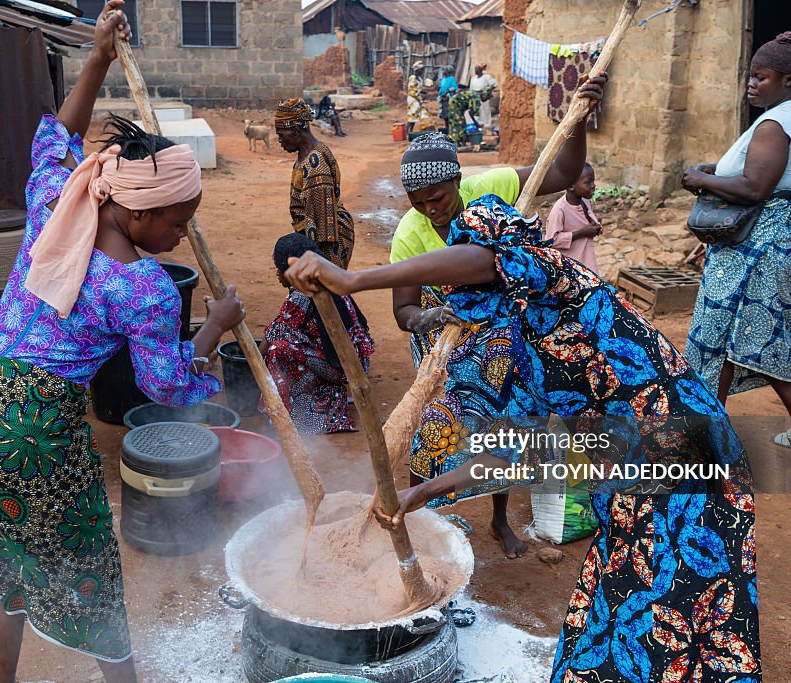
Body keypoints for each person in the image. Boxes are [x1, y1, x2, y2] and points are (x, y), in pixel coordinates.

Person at [285, 195, 761, 683]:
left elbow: (484, 258)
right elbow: (508, 453)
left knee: (667, 614)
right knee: (623, 607)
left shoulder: (558, 278)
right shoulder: (521, 341)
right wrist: (421, 493)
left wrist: (352, 281)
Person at [0, 4, 245, 681]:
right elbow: (167, 386)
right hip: (37, 433)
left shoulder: (58, 199)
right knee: (94, 584)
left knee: (7, 576)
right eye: (176, 222)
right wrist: (216, 326)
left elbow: (57, 134)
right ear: (136, 210)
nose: (181, 236)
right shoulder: (144, 288)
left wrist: (99, 57)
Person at [388, 73, 606, 559]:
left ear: (458, 181)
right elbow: (403, 310)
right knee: (434, 426)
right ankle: (419, 520)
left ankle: (499, 519)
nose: (430, 211)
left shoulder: (492, 186)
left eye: (438, 198)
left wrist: (580, 120)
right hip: (443, 342)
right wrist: (428, 318)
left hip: (500, 333)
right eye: (418, 204)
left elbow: (565, 170)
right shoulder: (410, 233)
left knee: (504, 425)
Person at [682, 32, 791, 449]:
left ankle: (707, 433)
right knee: (751, 334)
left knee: (715, 334)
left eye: (761, 77)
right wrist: (717, 171)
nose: (751, 83)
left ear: (788, 79)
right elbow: (761, 174)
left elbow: (755, 187)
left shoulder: (775, 123)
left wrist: (700, 179)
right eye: (750, 75)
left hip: (754, 245)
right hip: (770, 240)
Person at [260, 233, 374, 434]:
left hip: (341, 370)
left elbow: (276, 332)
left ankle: (284, 417)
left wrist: (253, 362)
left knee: (278, 349)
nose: (277, 273)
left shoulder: (302, 294)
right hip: (347, 364)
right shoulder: (328, 277)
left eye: (279, 268)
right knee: (291, 337)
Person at [275, 98, 356, 269]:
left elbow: (321, 227)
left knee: (326, 283)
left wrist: (311, 257)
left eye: (281, 135)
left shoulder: (315, 164)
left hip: (324, 243)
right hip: (315, 234)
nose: (279, 140)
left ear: (295, 131)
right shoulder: (307, 154)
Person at [544, 162, 602, 272]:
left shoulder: (585, 201)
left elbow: (585, 223)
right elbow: (551, 241)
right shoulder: (560, 209)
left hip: (587, 259)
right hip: (570, 267)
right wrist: (582, 232)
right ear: (571, 186)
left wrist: (595, 228)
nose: (593, 185)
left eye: (593, 181)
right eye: (588, 182)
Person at [469, 63, 500, 133]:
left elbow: (495, 84)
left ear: (481, 70)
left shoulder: (486, 77)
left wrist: (488, 92)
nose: (475, 71)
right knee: (476, 112)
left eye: (477, 69)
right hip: (474, 97)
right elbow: (471, 89)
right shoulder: (473, 79)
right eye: (475, 69)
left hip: (483, 97)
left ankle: (486, 127)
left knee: (485, 112)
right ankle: (477, 126)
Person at [406, 60, 427, 135]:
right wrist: (420, 94)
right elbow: (411, 90)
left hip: (417, 99)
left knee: (415, 117)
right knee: (412, 115)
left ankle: (410, 132)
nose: (422, 71)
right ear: (417, 70)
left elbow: (418, 88)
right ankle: (407, 131)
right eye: (421, 70)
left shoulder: (419, 79)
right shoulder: (412, 78)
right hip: (413, 99)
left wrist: (422, 92)